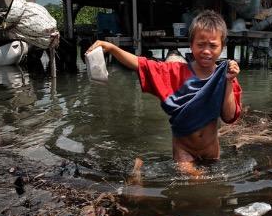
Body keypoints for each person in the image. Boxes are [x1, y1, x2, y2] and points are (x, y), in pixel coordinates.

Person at [86, 10, 242, 177]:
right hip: (184, 150)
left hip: (211, 150)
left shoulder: (224, 76)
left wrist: (228, 81)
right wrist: (112, 48)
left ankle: (139, 169)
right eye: (200, 44)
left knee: (213, 194)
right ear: (191, 45)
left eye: (212, 45)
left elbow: (229, 116)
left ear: (222, 47)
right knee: (196, 181)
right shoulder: (175, 72)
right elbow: (141, 64)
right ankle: (139, 169)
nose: (206, 51)